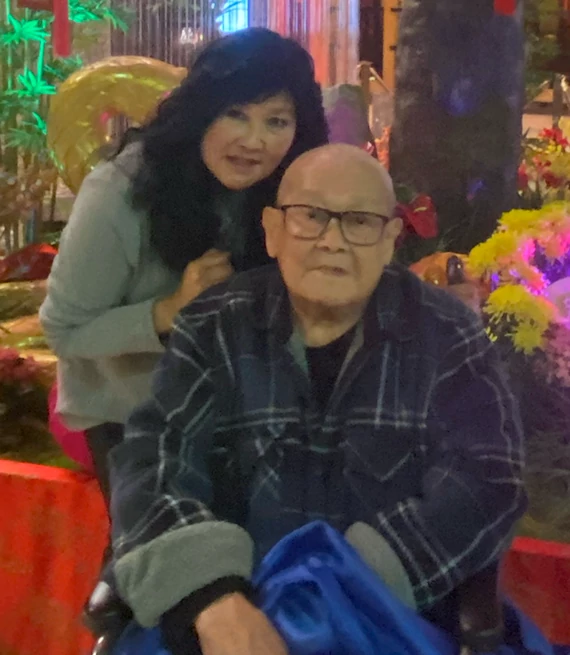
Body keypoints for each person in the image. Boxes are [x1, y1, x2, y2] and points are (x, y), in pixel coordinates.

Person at [109, 144, 526, 655]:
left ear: (391, 240)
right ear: (272, 230)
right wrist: (213, 599)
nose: (333, 241)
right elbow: (153, 459)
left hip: (383, 617)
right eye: (311, 216)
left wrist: (342, 588)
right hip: (231, 617)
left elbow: (487, 478)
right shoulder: (214, 324)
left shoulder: (447, 332)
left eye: (360, 221)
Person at [39, 26, 328, 643]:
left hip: (235, 397)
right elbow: (63, 328)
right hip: (128, 407)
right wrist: (167, 311)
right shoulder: (122, 190)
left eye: (277, 121)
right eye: (235, 114)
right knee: (177, 547)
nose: (255, 140)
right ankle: (124, 603)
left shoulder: (283, 189)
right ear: (201, 109)